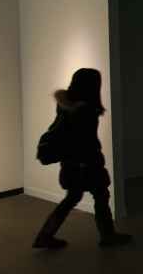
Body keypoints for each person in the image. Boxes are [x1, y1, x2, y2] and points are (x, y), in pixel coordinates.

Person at [33, 68, 132, 249]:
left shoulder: (66, 106)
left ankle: (45, 235)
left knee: (73, 198)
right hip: (86, 164)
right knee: (100, 196)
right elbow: (84, 141)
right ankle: (108, 236)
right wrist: (92, 161)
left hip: (72, 164)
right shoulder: (85, 110)